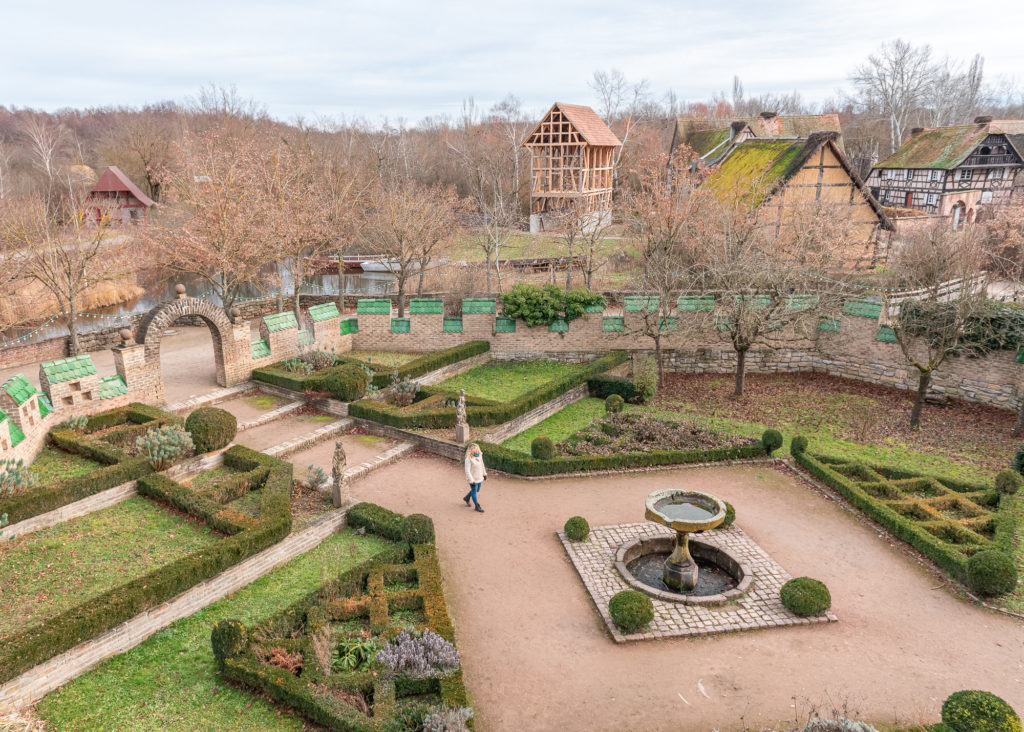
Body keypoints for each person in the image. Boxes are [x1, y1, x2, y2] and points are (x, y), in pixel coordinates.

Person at [463, 442, 487, 513]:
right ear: (471, 450)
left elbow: (482, 465)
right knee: (474, 491)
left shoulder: (479, 455)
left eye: (477, 449)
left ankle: (467, 497)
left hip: (479, 477)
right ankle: (477, 506)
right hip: (473, 479)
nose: (476, 451)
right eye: (474, 450)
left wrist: (484, 474)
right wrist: (471, 480)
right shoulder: (468, 459)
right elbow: (467, 471)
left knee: (477, 489)